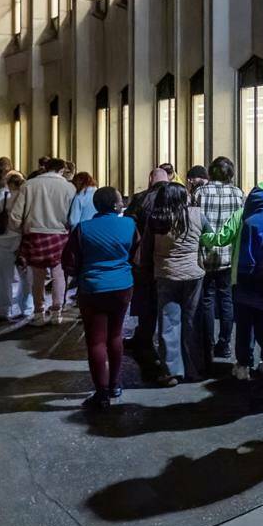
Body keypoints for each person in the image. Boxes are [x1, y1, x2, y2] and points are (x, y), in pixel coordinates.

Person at [201, 180, 263, 390]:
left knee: (244, 326)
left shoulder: (248, 218)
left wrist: (203, 237)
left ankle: (244, 364)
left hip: (246, 284)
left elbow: (241, 255)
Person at [62, 187, 140, 411]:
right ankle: (115, 384)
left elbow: (69, 261)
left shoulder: (83, 229)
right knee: (115, 335)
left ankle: (102, 393)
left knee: (96, 341)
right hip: (122, 286)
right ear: (116, 205)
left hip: (93, 288)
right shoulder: (129, 225)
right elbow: (137, 252)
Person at [146, 182, 209, 386]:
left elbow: (146, 247)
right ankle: (194, 369)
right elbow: (208, 237)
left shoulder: (156, 218)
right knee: (191, 321)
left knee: (168, 322)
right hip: (193, 274)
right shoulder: (197, 214)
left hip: (165, 274)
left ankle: (171, 371)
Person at [9, 157, 75, 323]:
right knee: (59, 275)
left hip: (35, 234)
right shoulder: (69, 187)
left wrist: (20, 230)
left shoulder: (29, 185)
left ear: (46, 168)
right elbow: (72, 216)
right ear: (61, 170)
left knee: (37, 276)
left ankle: (39, 313)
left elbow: (16, 215)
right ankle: (56, 312)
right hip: (60, 235)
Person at [195, 157, 246, 361]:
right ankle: (224, 344)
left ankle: (207, 345)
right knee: (226, 300)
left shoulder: (200, 192)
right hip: (228, 256)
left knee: (206, 300)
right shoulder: (238, 193)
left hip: (204, 255)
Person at [124, 168, 171, 358]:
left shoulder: (140, 198)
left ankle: (144, 337)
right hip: (170, 256)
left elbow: (129, 224)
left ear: (150, 179)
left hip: (144, 257)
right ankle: (167, 344)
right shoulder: (176, 196)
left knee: (146, 300)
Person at [0, 171, 32, 321]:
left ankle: (3, 310)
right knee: (26, 276)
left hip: (3, 239)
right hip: (24, 240)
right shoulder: (28, 195)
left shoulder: (2, 195)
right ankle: (27, 307)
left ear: (7, 182)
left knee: (4, 277)